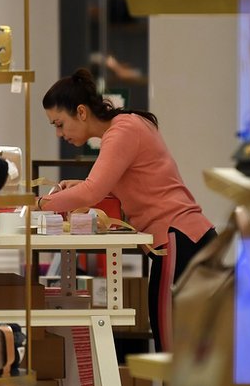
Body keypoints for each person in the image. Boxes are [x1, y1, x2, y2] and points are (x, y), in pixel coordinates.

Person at [36, 68, 216, 352]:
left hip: (178, 239)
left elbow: (92, 192)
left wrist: (36, 204)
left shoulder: (123, 130)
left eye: (59, 124)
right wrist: (78, 187)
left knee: (173, 351)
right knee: (184, 351)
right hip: (186, 239)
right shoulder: (125, 127)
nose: (59, 134)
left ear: (81, 112)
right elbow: (113, 184)